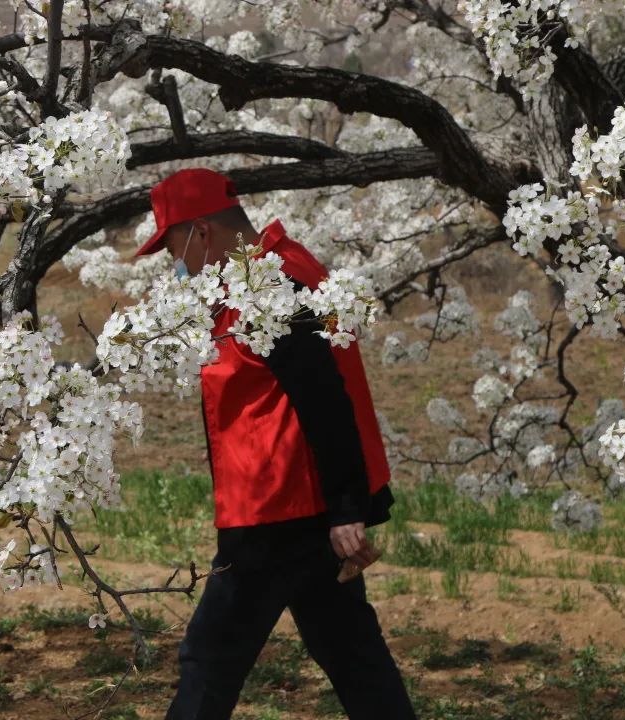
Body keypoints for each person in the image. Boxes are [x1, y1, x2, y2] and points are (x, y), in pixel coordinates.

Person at [132, 168, 417, 720]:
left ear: (202, 234)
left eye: (174, 247)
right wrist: (344, 506)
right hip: (304, 509)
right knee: (354, 658)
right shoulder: (287, 266)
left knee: (208, 662)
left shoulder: (267, 290)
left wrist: (345, 507)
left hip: (276, 511)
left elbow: (324, 393)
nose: (179, 264)